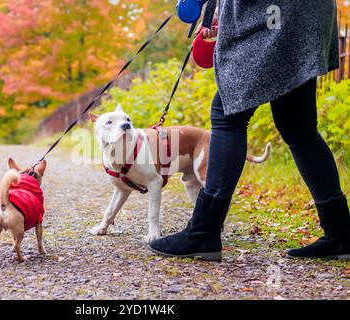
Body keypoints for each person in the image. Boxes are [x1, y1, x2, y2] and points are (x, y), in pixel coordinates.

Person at [149, 0, 350, 260]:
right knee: (298, 126)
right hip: (303, 13)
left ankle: (203, 233)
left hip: (276, 14)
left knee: (228, 115)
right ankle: (341, 232)